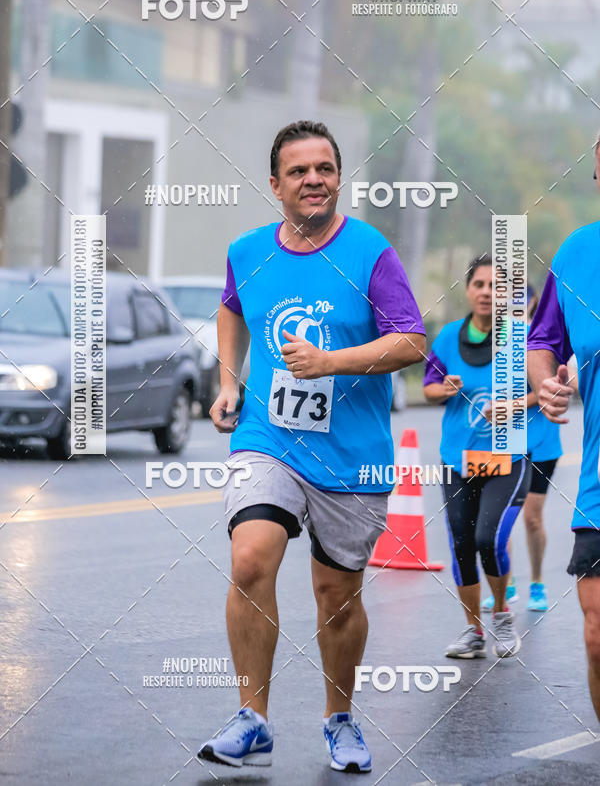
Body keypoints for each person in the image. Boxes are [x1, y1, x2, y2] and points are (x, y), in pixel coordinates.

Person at [198, 120, 426, 771]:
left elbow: (411, 341)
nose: (313, 180)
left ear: (338, 177)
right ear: (275, 185)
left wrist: (331, 362)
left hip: (352, 455)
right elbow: (231, 307)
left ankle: (341, 719)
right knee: (250, 561)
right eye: (298, 171)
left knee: (337, 594)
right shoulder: (247, 250)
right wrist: (227, 382)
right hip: (268, 440)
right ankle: (252, 718)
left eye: (324, 168)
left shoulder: (369, 251)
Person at [423, 256, 531, 659]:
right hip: (459, 459)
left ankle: (501, 615)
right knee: (462, 543)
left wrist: (515, 405)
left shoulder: (521, 338)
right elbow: (430, 387)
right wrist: (444, 388)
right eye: (480, 284)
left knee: (489, 538)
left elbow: (549, 389)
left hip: (507, 459)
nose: (487, 292)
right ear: (468, 290)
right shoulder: (449, 337)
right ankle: (474, 631)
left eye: (496, 286)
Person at [528, 132, 600, 721]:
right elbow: (541, 340)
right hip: (599, 485)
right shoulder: (576, 255)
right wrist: (547, 381)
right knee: (597, 635)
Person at [481, 284, 563, 613]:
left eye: (519, 300)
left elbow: (554, 388)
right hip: (505, 441)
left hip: (542, 442)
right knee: (503, 517)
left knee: (531, 518)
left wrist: (513, 406)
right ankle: (508, 583)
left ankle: (539, 583)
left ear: (532, 304)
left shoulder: (540, 339)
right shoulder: (494, 340)